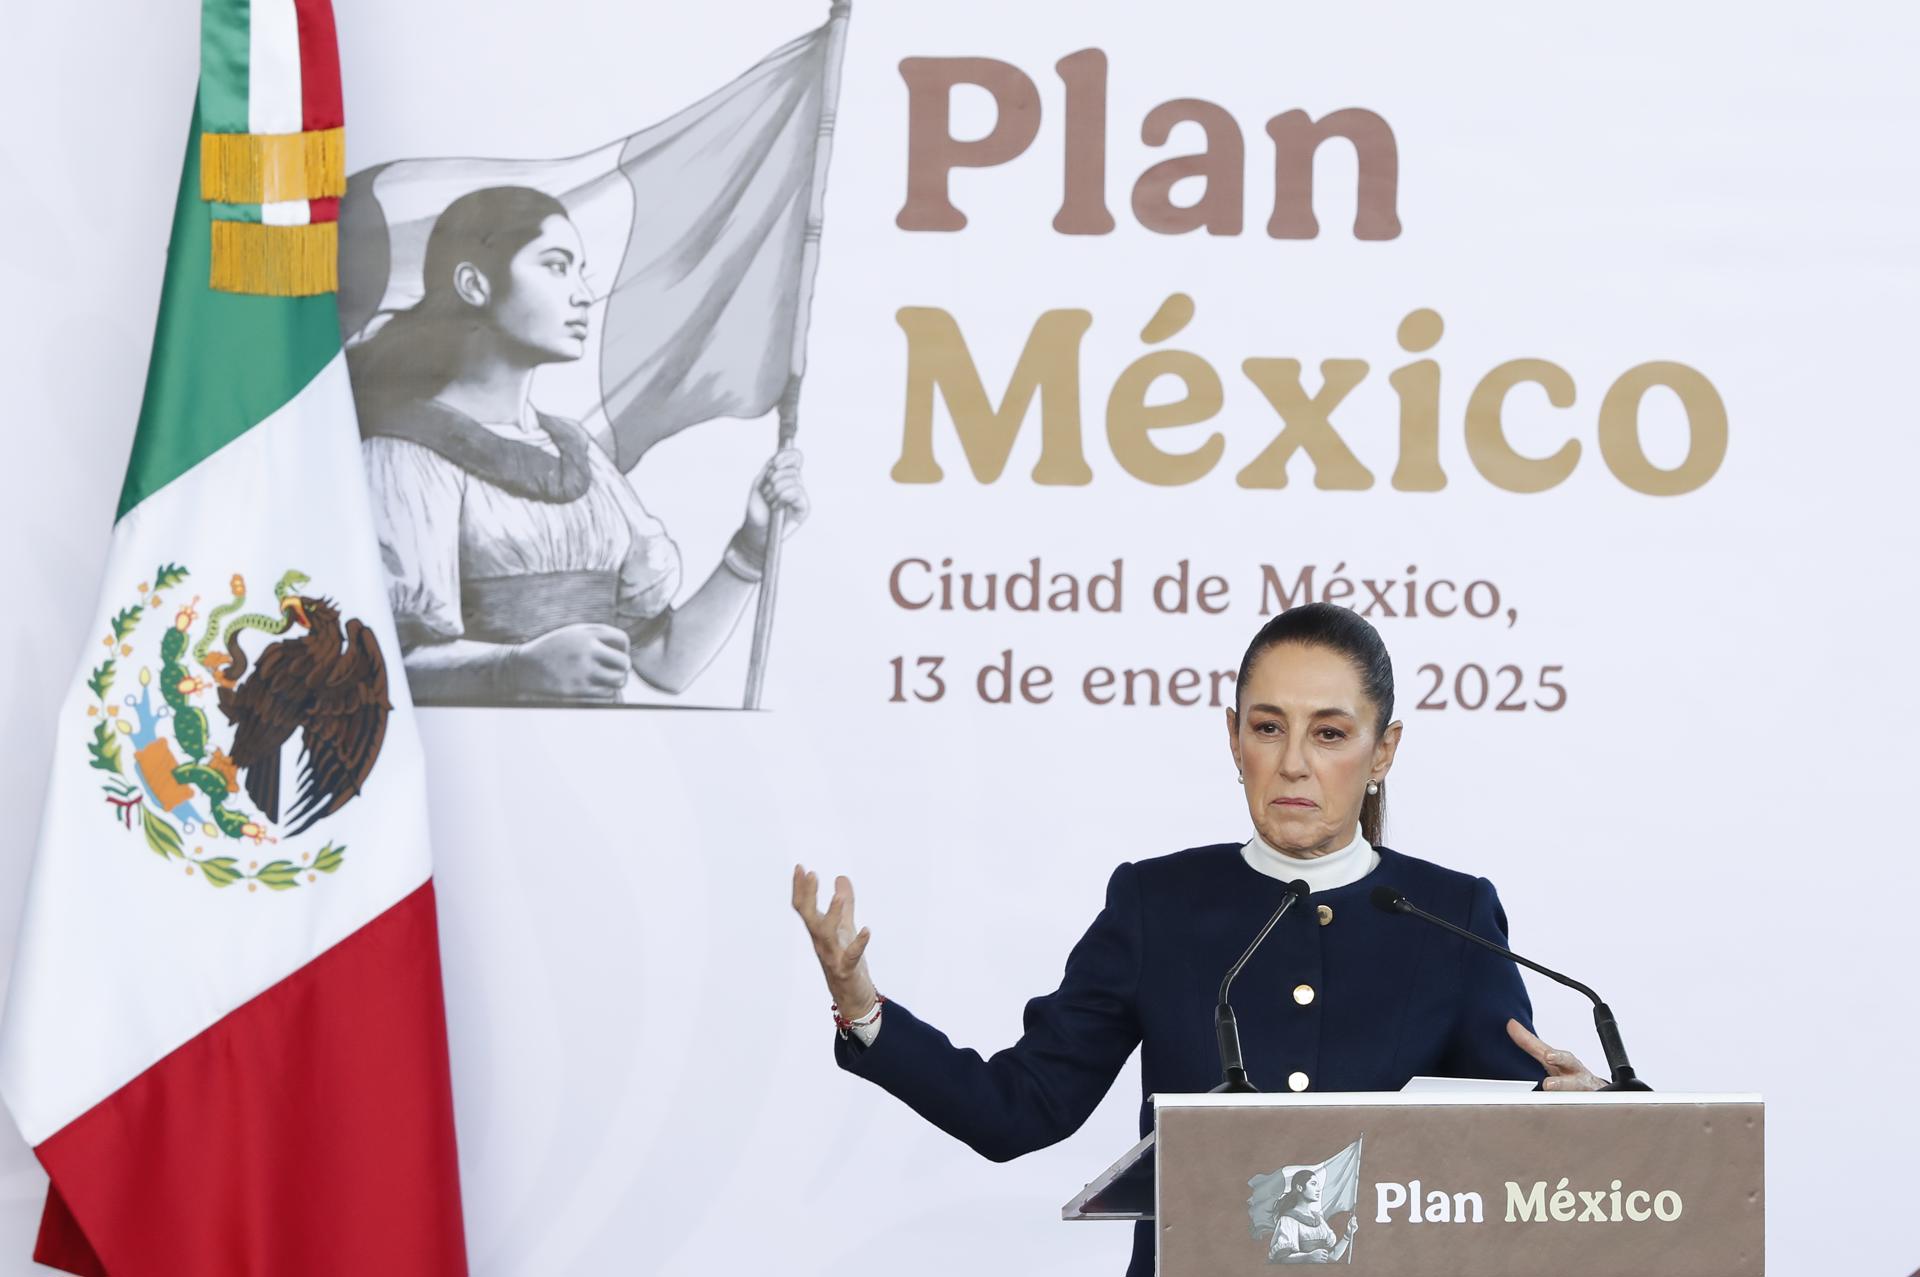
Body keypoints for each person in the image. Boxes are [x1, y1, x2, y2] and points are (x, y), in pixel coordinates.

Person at [792, 603, 1606, 1277]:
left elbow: (1499, 1162)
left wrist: (1578, 1120)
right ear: (1233, 738)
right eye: (1267, 727)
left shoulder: (1450, 913)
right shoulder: (1159, 903)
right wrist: (864, 1009)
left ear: (1382, 750)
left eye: (1329, 733)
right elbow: (1018, 1110)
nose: (1292, 763)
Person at [349, 185, 809, 704]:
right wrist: (514, 668)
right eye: (556, 265)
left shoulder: (580, 455)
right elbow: (373, 670)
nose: (583, 293)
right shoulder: (404, 455)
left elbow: (665, 663)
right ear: (474, 284)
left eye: (580, 269)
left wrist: (751, 545)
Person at [1264, 1168, 1357, 1264]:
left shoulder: (1319, 1219)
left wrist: (1348, 1235)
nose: (1318, 1189)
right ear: (1300, 1187)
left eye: (1318, 1184)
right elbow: (1282, 1259)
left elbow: (1331, 1258)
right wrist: (1306, 1257)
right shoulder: (1288, 1220)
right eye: (1313, 1184)